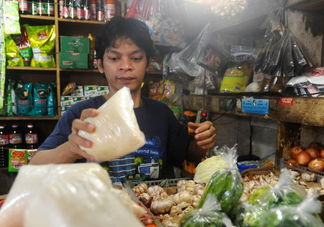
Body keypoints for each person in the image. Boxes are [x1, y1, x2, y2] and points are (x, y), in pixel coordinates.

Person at [31, 16, 216, 182]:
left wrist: (201, 141)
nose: (126, 66)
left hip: (150, 217)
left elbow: (189, 154)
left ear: (148, 64)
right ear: (100, 65)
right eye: (114, 58)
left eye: (135, 58)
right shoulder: (81, 115)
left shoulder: (161, 113)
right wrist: (71, 149)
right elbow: (35, 167)